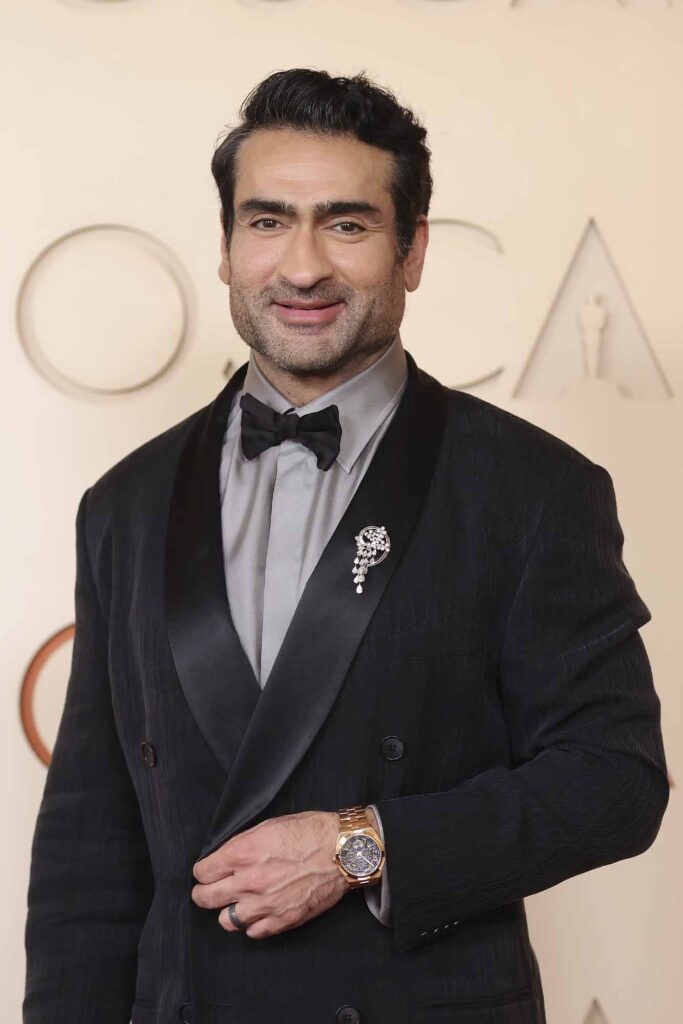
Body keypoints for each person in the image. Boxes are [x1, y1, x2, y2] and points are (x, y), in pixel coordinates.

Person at [23, 68, 669, 1024]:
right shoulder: (125, 501)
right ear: (226, 244)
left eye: (348, 224)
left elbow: (614, 781)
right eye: (268, 220)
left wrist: (356, 847)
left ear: (411, 251)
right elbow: (88, 844)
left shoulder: (529, 488)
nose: (302, 266)